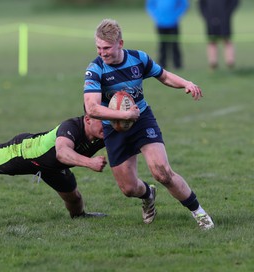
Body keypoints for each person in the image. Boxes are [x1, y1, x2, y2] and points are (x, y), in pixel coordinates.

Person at [83, 18, 214, 230]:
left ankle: (198, 212)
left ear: (120, 44)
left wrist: (186, 84)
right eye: (98, 48)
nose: (102, 53)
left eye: (106, 48)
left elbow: (164, 76)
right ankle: (148, 194)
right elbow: (92, 108)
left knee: (162, 171)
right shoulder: (95, 70)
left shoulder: (138, 59)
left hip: (142, 119)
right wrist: (124, 115)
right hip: (114, 128)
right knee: (128, 188)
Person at [146, 0, 189, 69]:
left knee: (175, 44)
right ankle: (162, 64)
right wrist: (156, 16)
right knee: (162, 45)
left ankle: (177, 64)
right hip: (160, 23)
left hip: (173, 23)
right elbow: (150, 6)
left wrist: (176, 15)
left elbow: (183, 5)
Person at [198, 0, 240, 70]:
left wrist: (227, 14)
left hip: (225, 19)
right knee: (212, 41)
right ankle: (213, 64)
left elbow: (234, 3)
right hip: (210, 19)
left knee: (227, 40)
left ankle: (230, 63)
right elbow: (201, 4)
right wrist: (206, 16)